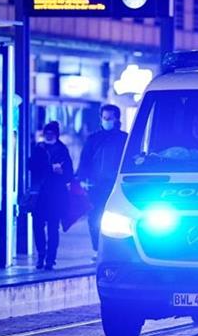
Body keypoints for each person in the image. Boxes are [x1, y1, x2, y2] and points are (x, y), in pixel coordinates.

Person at [76, 104, 129, 258]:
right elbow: (85, 160)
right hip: (96, 186)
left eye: (109, 118)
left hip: (115, 186)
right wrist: (82, 179)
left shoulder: (124, 139)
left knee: (116, 219)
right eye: (104, 118)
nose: (106, 121)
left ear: (116, 119)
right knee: (94, 218)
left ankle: (112, 250)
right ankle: (98, 248)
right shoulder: (94, 139)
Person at [30, 121, 73, 270]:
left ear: (56, 134)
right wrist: (50, 168)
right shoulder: (38, 148)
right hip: (40, 194)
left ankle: (50, 258)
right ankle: (41, 255)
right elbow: (32, 166)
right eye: (46, 133)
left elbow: (69, 174)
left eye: (51, 133)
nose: (48, 136)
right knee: (38, 226)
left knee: (53, 227)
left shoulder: (62, 150)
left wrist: (62, 172)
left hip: (55, 195)